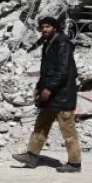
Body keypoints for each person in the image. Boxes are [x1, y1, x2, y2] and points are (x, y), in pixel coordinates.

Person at [13, 15, 81, 173]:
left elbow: (62, 71)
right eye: (42, 27)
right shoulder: (49, 43)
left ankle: (75, 163)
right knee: (41, 125)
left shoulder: (62, 44)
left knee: (68, 130)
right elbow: (46, 70)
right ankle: (31, 156)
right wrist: (39, 87)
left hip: (62, 95)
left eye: (47, 27)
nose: (44, 30)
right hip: (51, 96)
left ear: (55, 27)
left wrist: (49, 88)